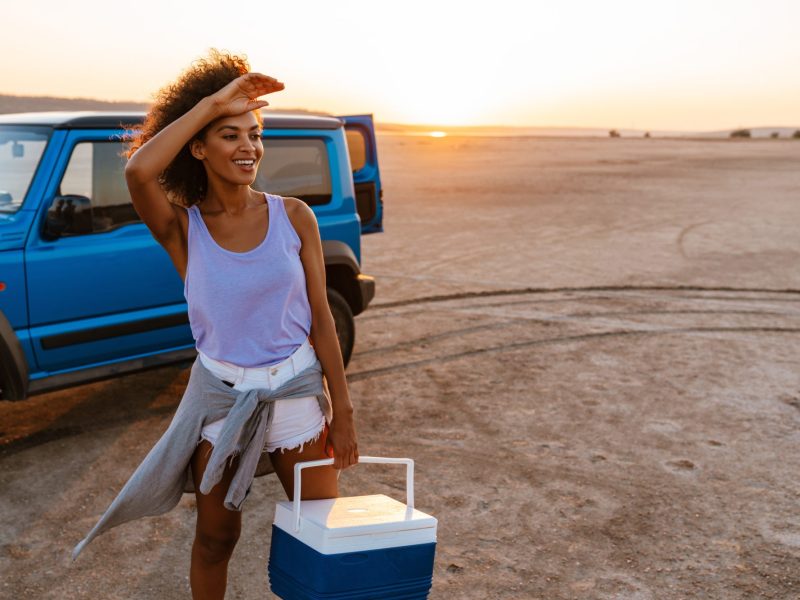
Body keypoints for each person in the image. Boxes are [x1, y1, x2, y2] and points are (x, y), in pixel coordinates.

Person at [114, 50, 357, 599]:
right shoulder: (184, 230)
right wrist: (210, 104)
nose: (248, 147)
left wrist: (342, 409)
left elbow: (322, 317)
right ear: (197, 145)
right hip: (223, 400)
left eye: (254, 134)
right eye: (229, 134)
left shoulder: (294, 216)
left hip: (296, 394)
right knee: (215, 539)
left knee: (322, 534)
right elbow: (138, 170)